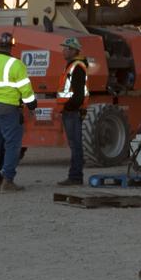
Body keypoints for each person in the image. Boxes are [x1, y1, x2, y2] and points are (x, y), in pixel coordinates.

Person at [0, 32, 36, 192]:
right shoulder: (15, 64)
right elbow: (25, 89)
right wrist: (32, 106)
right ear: (11, 47)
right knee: (12, 145)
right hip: (8, 110)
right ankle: (7, 181)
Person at [56, 36, 89, 187]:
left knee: (75, 145)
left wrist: (68, 107)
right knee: (75, 144)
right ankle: (75, 176)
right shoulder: (73, 66)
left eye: (67, 48)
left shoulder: (76, 67)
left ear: (74, 50)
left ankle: (75, 177)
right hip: (71, 111)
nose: (63, 50)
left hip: (72, 112)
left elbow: (78, 95)